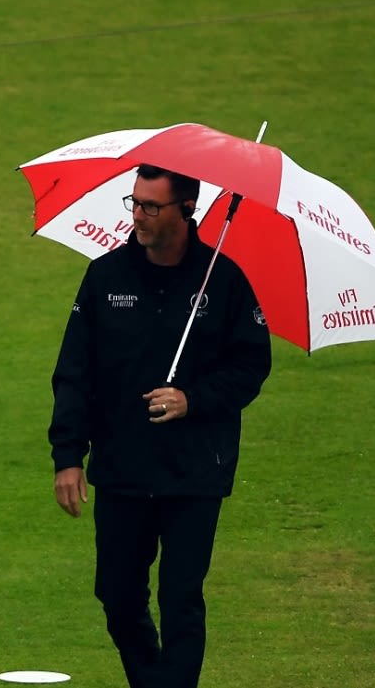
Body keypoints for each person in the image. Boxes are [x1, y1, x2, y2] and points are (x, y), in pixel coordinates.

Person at [48, 164, 272, 688]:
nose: (139, 217)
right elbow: (74, 371)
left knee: (181, 600)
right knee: (118, 596)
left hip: (195, 472)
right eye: (134, 203)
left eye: (151, 207)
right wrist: (67, 455)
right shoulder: (105, 277)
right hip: (123, 467)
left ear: (186, 209)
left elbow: (251, 366)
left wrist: (192, 399)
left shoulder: (225, 280)